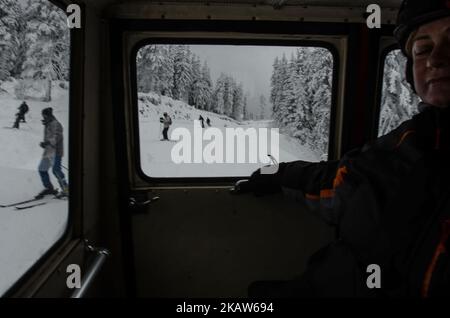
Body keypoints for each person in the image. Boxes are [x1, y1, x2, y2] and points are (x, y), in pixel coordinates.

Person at [244, 0, 450, 298]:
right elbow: (338, 179)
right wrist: (276, 172)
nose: (436, 59)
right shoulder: (407, 142)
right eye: (422, 49)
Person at [35, 107, 69, 199]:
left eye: (45, 115)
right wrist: (45, 144)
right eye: (43, 115)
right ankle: (49, 188)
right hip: (48, 152)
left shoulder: (56, 124)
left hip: (56, 151)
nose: (44, 117)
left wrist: (48, 142)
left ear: (49, 115)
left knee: (56, 170)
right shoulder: (47, 124)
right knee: (42, 169)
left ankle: (66, 189)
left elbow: (57, 137)